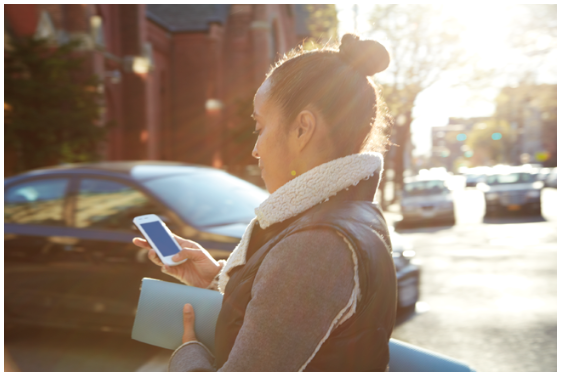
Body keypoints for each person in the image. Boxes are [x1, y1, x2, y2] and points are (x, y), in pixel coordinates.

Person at [133, 33, 397, 372]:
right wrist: (216, 277)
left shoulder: (313, 247)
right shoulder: (351, 216)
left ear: (302, 129)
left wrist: (188, 353)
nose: (255, 149)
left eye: (260, 125)